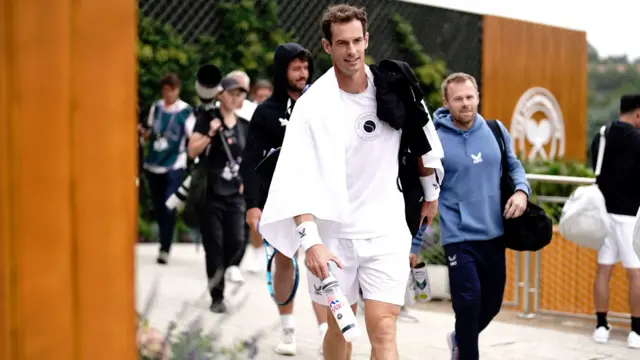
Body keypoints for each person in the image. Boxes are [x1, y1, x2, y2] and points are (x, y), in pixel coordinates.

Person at [257, 5, 443, 360]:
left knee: (383, 325)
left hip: (386, 229)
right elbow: (296, 179)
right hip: (333, 237)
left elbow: (422, 140)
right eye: (342, 43)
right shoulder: (312, 105)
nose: (352, 51)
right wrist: (310, 243)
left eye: (358, 41)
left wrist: (430, 192)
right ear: (327, 47)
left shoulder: (393, 85)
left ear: (367, 39)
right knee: (341, 330)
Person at [430, 72, 530, 360]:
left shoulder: (495, 130)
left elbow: (515, 167)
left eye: (470, 97)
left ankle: (459, 338)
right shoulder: (435, 141)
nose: (465, 103)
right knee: (468, 303)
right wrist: (414, 245)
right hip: (459, 238)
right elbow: (426, 193)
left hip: (494, 234)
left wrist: (521, 191)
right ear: (446, 102)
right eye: (458, 98)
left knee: (492, 304)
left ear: (478, 97)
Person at [239, 42, 329, 355]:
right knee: (284, 261)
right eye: (296, 68)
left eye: (305, 67)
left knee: (321, 264)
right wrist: (253, 204)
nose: (303, 74)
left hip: (318, 198)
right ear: (282, 72)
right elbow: (250, 161)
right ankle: (288, 331)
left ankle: (325, 333)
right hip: (278, 198)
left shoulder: (322, 104)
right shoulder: (266, 112)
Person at [187, 76, 250, 313]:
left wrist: (249, 182)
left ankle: (229, 268)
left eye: (240, 94)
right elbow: (192, 150)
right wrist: (210, 134)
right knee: (214, 245)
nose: (236, 98)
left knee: (236, 240)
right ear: (221, 94)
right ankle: (217, 296)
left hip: (235, 193)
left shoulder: (244, 126)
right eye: (232, 93)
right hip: (211, 193)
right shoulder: (206, 120)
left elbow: (249, 159)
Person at [590, 94, 640, 349]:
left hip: (602, 213)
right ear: (638, 114)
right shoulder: (638, 139)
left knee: (603, 270)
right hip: (630, 215)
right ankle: (636, 331)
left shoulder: (602, 134)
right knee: (636, 273)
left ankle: (601, 326)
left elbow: (594, 167)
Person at [140, 73, 196, 264]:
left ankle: (165, 247)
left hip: (175, 164)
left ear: (177, 90)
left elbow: (192, 137)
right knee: (158, 206)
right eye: (164, 90)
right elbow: (149, 131)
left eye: (171, 90)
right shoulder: (156, 107)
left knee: (169, 204)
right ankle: (163, 241)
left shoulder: (185, 111)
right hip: (154, 162)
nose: (167, 94)